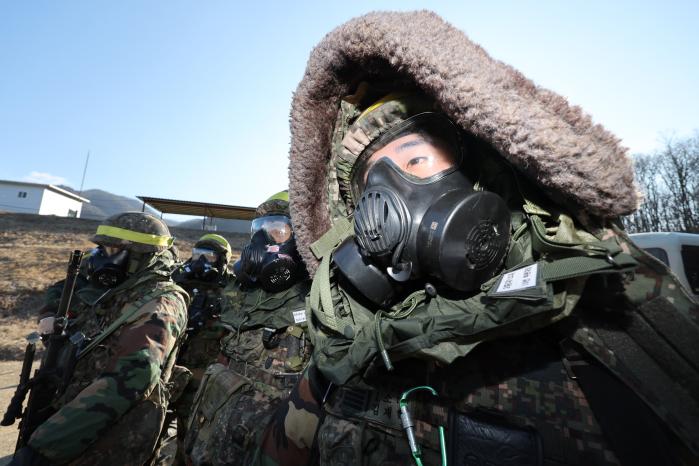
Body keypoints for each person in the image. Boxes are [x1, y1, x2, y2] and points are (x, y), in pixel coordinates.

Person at [276, 11, 699, 466]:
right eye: (374, 188)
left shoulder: (608, 311)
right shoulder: (346, 353)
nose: (395, 199)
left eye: (416, 159)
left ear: (481, 171)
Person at [12, 212, 189, 466]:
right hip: (70, 422)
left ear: (141, 257)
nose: (103, 257)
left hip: (107, 441)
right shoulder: (116, 287)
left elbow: (129, 380)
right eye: (102, 248)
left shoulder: (159, 302)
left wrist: (44, 448)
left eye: (114, 250)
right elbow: (64, 292)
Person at [184, 191, 312, 466]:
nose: (261, 242)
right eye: (258, 232)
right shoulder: (241, 293)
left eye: (276, 231)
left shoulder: (322, 301)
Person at [158, 234, 234, 465]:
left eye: (208, 256)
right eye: (197, 255)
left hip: (201, 376)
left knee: (189, 434)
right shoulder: (177, 280)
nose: (200, 261)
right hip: (168, 368)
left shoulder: (232, 288)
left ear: (222, 260)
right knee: (153, 424)